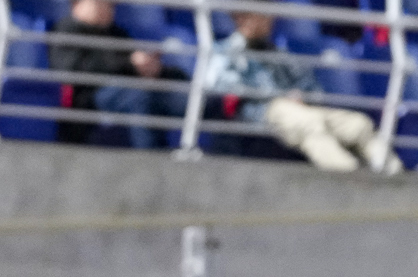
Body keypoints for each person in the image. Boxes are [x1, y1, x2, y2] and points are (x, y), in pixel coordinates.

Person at [205, 9, 397, 172]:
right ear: (241, 18)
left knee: (359, 124)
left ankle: (394, 175)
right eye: (260, 15)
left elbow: (314, 89)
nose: (268, 20)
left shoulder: (281, 55)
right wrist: (281, 97)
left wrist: (301, 96)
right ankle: (351, 177)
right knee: (308, 122)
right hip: (263, 113)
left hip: (301, 110)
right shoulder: (225, 52)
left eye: (268, 15)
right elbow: (220, 88)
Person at [49, 0, 186, 150]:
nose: (109, 8)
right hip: (90, 98)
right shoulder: (66, 30)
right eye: (101, 3)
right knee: (138, 96)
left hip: (125, 89)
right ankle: (152, 157)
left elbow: (130, 60)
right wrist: (129, 63)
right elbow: (72, 69)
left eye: (111, 5)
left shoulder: (116, 33)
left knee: (176, 95)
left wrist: (149, 67)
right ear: (78, 4)